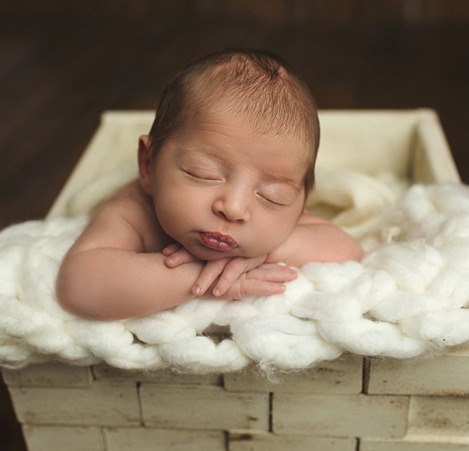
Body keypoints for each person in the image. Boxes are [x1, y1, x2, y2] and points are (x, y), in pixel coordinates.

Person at [56, 49, 365, 321]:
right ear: (148, 166)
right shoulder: (132, 210)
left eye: (273, 196)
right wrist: (203, 278)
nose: (234, 208)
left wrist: (272, 249)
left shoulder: (280, 224)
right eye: (203, 174)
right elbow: (79, 284)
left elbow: (348, 250)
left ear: (300, 203)